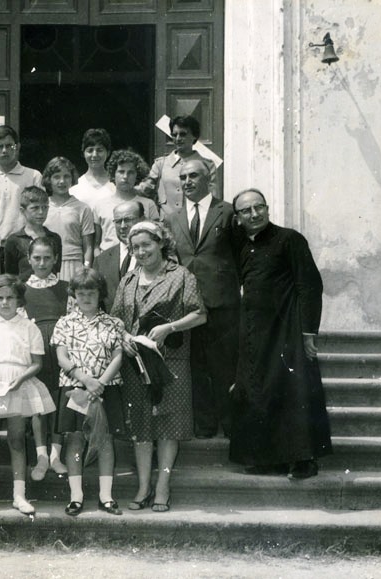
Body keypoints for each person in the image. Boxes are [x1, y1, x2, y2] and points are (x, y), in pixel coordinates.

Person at [229, 189, 332, 479]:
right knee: (262, 392)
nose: (254, 214)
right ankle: (270, 458)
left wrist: (308, 331)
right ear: (237, 218)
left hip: (287, 329)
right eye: (246, 211)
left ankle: (304, 460)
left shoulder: (289, 239)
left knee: (295, 392)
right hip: (254, 332)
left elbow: (309, 285)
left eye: (258, 207)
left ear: (267, 208)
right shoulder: (242, 245)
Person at [111, 221, 206, 513]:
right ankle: (143, 486)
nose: (141, 252)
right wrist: (124, 337)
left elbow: (200, 314)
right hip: (135, 365)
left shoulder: (181, 276)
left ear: (161, 243)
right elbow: (116, 320)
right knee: (141, 427)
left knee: (168, 427)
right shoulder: (128, 280)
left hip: (170, 364)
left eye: (146, 245)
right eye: (135, 247)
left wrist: (169, 327)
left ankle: (162, 487)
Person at [0, 274, 56, 515]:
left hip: (18, 384)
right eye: (0, 299)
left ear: (19, 301)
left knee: (17, 440)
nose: (5, 303)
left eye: (10, 298)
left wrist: (20, 379)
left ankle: (19, 495)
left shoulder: (29, 328)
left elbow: (36, 363)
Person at [164, 159, 240, 438]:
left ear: (208, 178)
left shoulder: (228, 212)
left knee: (225, 364)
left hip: (223, 303)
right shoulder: (172, 217)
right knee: (196, 365)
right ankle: (205, 424)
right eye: (182, 177)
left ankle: (231, 424)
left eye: (193, 176)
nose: (187, 182)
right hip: (188, 306)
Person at [52, 268, 125, 516]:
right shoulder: (65, 322)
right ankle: (76, 497)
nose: (86, 298)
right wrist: (85, 379)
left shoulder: (114, 323)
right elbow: (61, 356)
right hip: (75, 387)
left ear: (100, 294)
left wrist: (99, 383)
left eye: (91, 293)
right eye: (81, 293)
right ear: (74, 295)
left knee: (104, 440)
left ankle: (106, 496)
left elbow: (118, 357)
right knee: (75, 439)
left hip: (106, 388)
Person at [22, 237, 70, 480]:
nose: (42, 263)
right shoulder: (23, 290)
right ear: (29, 259)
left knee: (59, 404)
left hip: (61, 353)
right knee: (39, 406)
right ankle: (41, 455)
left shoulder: (65, 288)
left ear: (55, 259)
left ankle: (55, 455)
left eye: (47, 258)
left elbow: (73, 321)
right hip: (36, 354)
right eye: (37, 258)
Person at [0, 125, 43, 246]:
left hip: (27, 243)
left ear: (17, 147)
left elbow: (41, 211)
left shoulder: (33, 176)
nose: (4, 150)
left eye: (9, 146)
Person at [136, 115, 217, 210]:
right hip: (167, 223)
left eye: (183, 134)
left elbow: (213, 198)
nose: (178, 138)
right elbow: (145, 189)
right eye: (174, 135)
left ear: (194, 136)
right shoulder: (161, 164)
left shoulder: (207, 165)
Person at [94, 149, 159, 252]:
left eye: (131, 172)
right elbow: (95, 244)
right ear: (113, 174)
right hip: (108, 260)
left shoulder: (148, 204)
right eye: (121, 171)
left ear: (137, 175)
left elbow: (156, 238)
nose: (125, 177)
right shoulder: (100, 205)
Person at [42, 156, 95, 281]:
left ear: (72, 179)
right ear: (49, 180)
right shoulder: (42, 207)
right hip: (47, 263)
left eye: (66, 176)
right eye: (56, 177)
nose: (62, 181)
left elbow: (88, 246)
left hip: (74, 264)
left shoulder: (83, 208)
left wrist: (86, 269)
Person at [3, 186, 62, 280]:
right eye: (35, 208)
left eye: (45, 207)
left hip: (50, 291)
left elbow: (56, 269)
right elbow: (11, 275)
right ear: (23, 211)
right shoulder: (14, 240)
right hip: (24, 292)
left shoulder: (54, 238)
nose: (41, 212)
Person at [94, 200, 143, 312]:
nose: (122, 226)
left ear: (142, 219)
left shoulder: (155, 255)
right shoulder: (101, 260)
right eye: (118, 221)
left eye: (128, 220)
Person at [69, 128, 112, 211]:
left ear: (108, 152)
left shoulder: (116, 183)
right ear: (83, 153)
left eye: (100, 150)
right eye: (90, 150)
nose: (95, 155)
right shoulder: (75, 186)